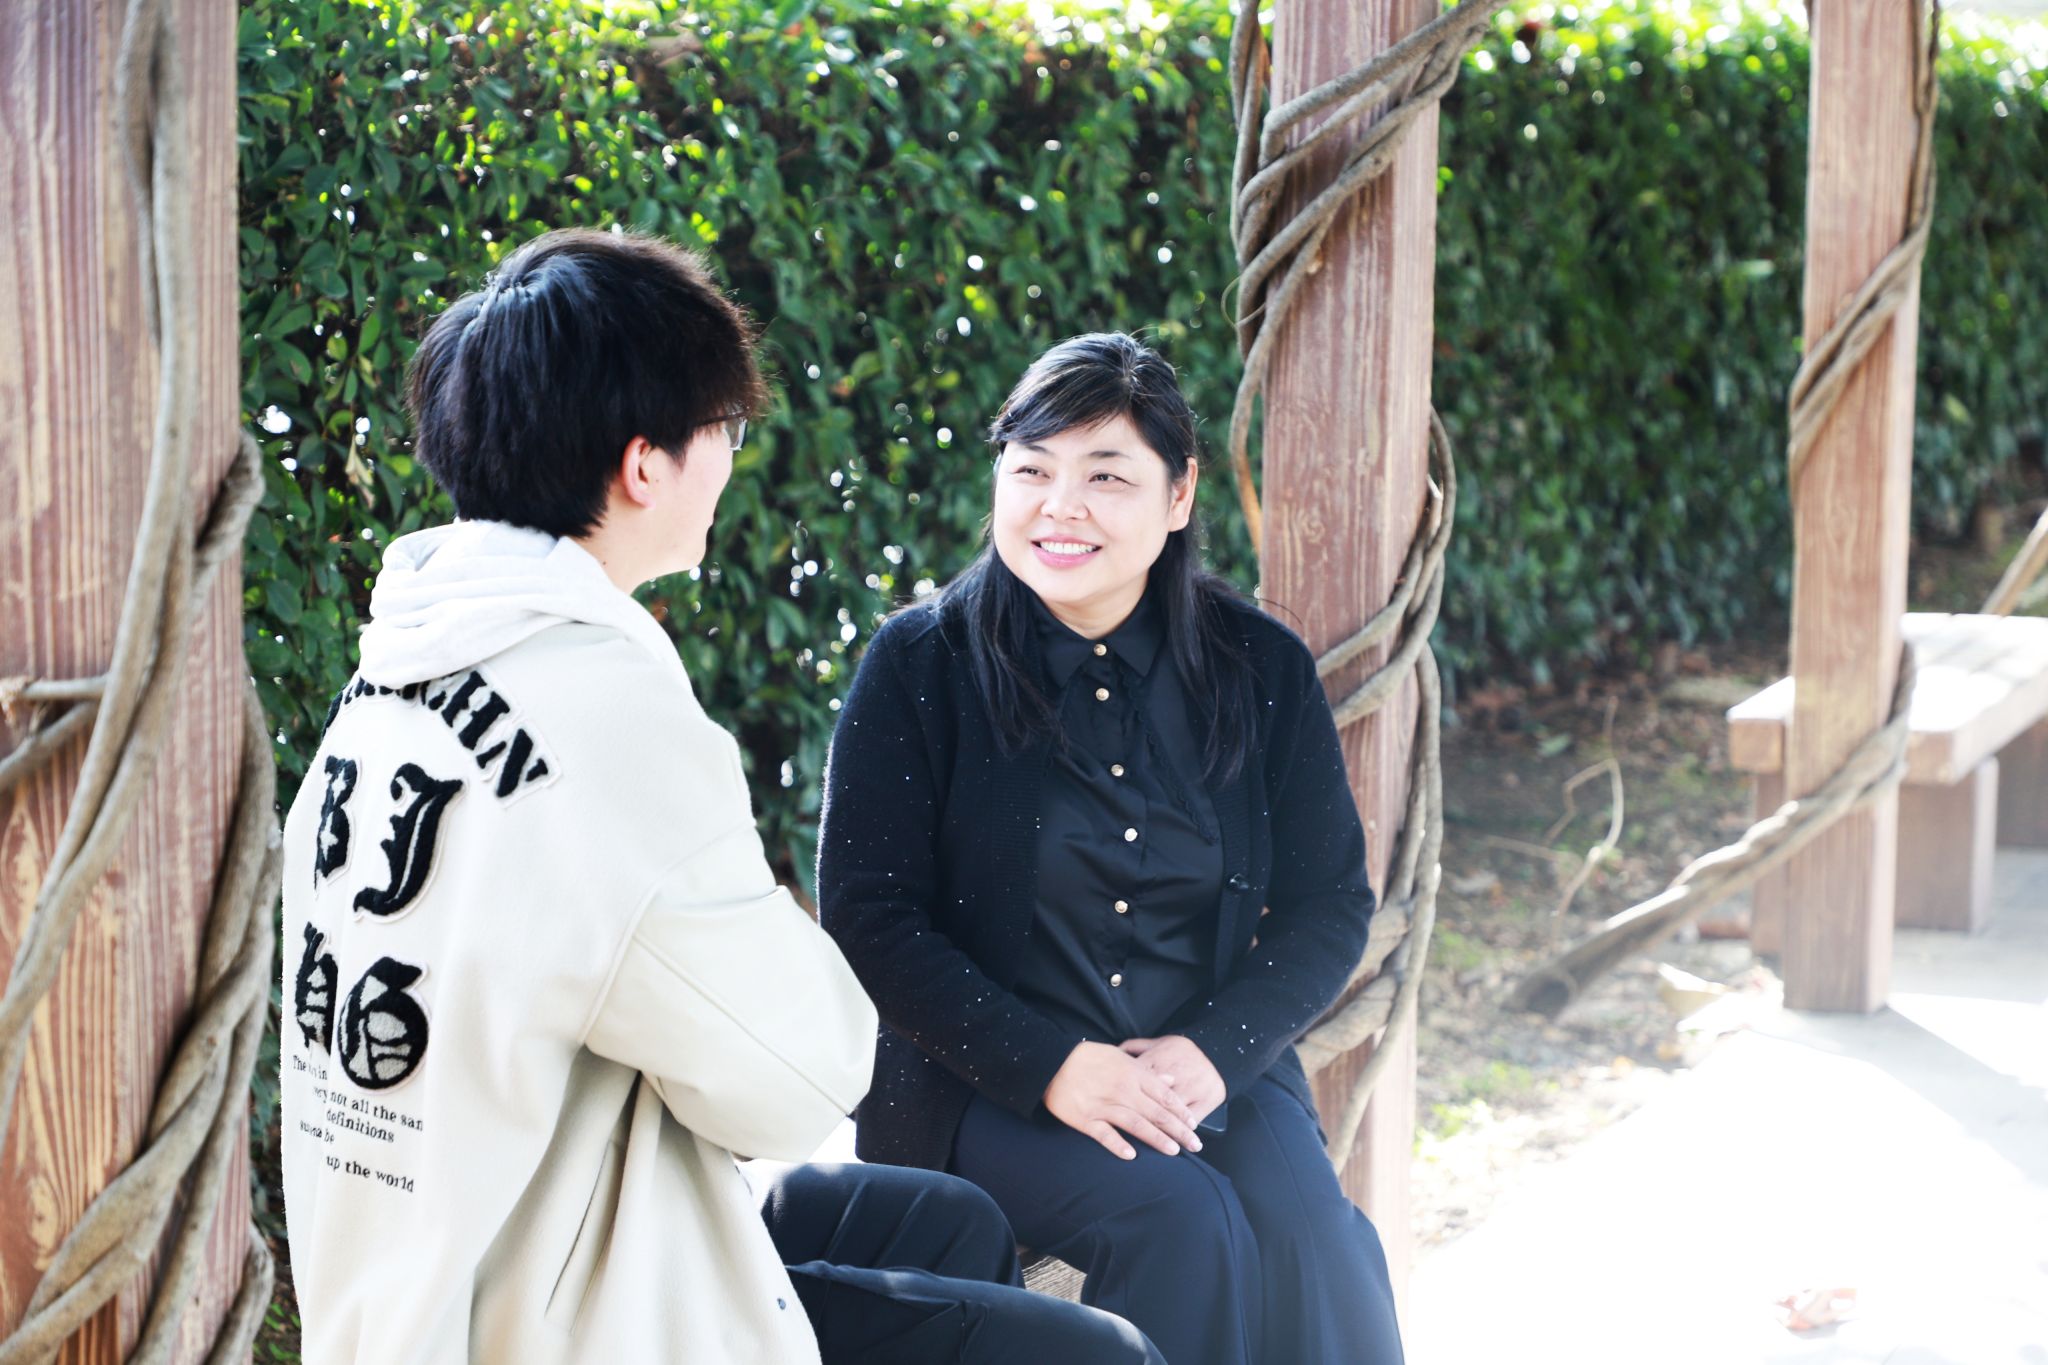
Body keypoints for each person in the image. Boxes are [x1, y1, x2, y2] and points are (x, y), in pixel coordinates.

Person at [278, 230, 1161, 1365]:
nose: (731, 462)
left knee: (946, 1222)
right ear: (645, 466)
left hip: (427, 1284)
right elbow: (798, 1082)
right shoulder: (598, 714)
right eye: (725, 431)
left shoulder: (391, 673)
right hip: (551, 1325)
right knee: (1100, 1354)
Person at [817, 332, 1406, 1365]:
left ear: (1178, 496)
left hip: (1198, 1061)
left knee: (1317, 1239)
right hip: (982, 1076)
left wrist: (1213, 1051)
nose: (1060, 507)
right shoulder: (918, 664)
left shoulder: (1259, 667)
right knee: (1178, 1222)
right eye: (1031, 471)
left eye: (1105, 476)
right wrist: (1051, 1066)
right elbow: (870, 918)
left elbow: (1329, 907)